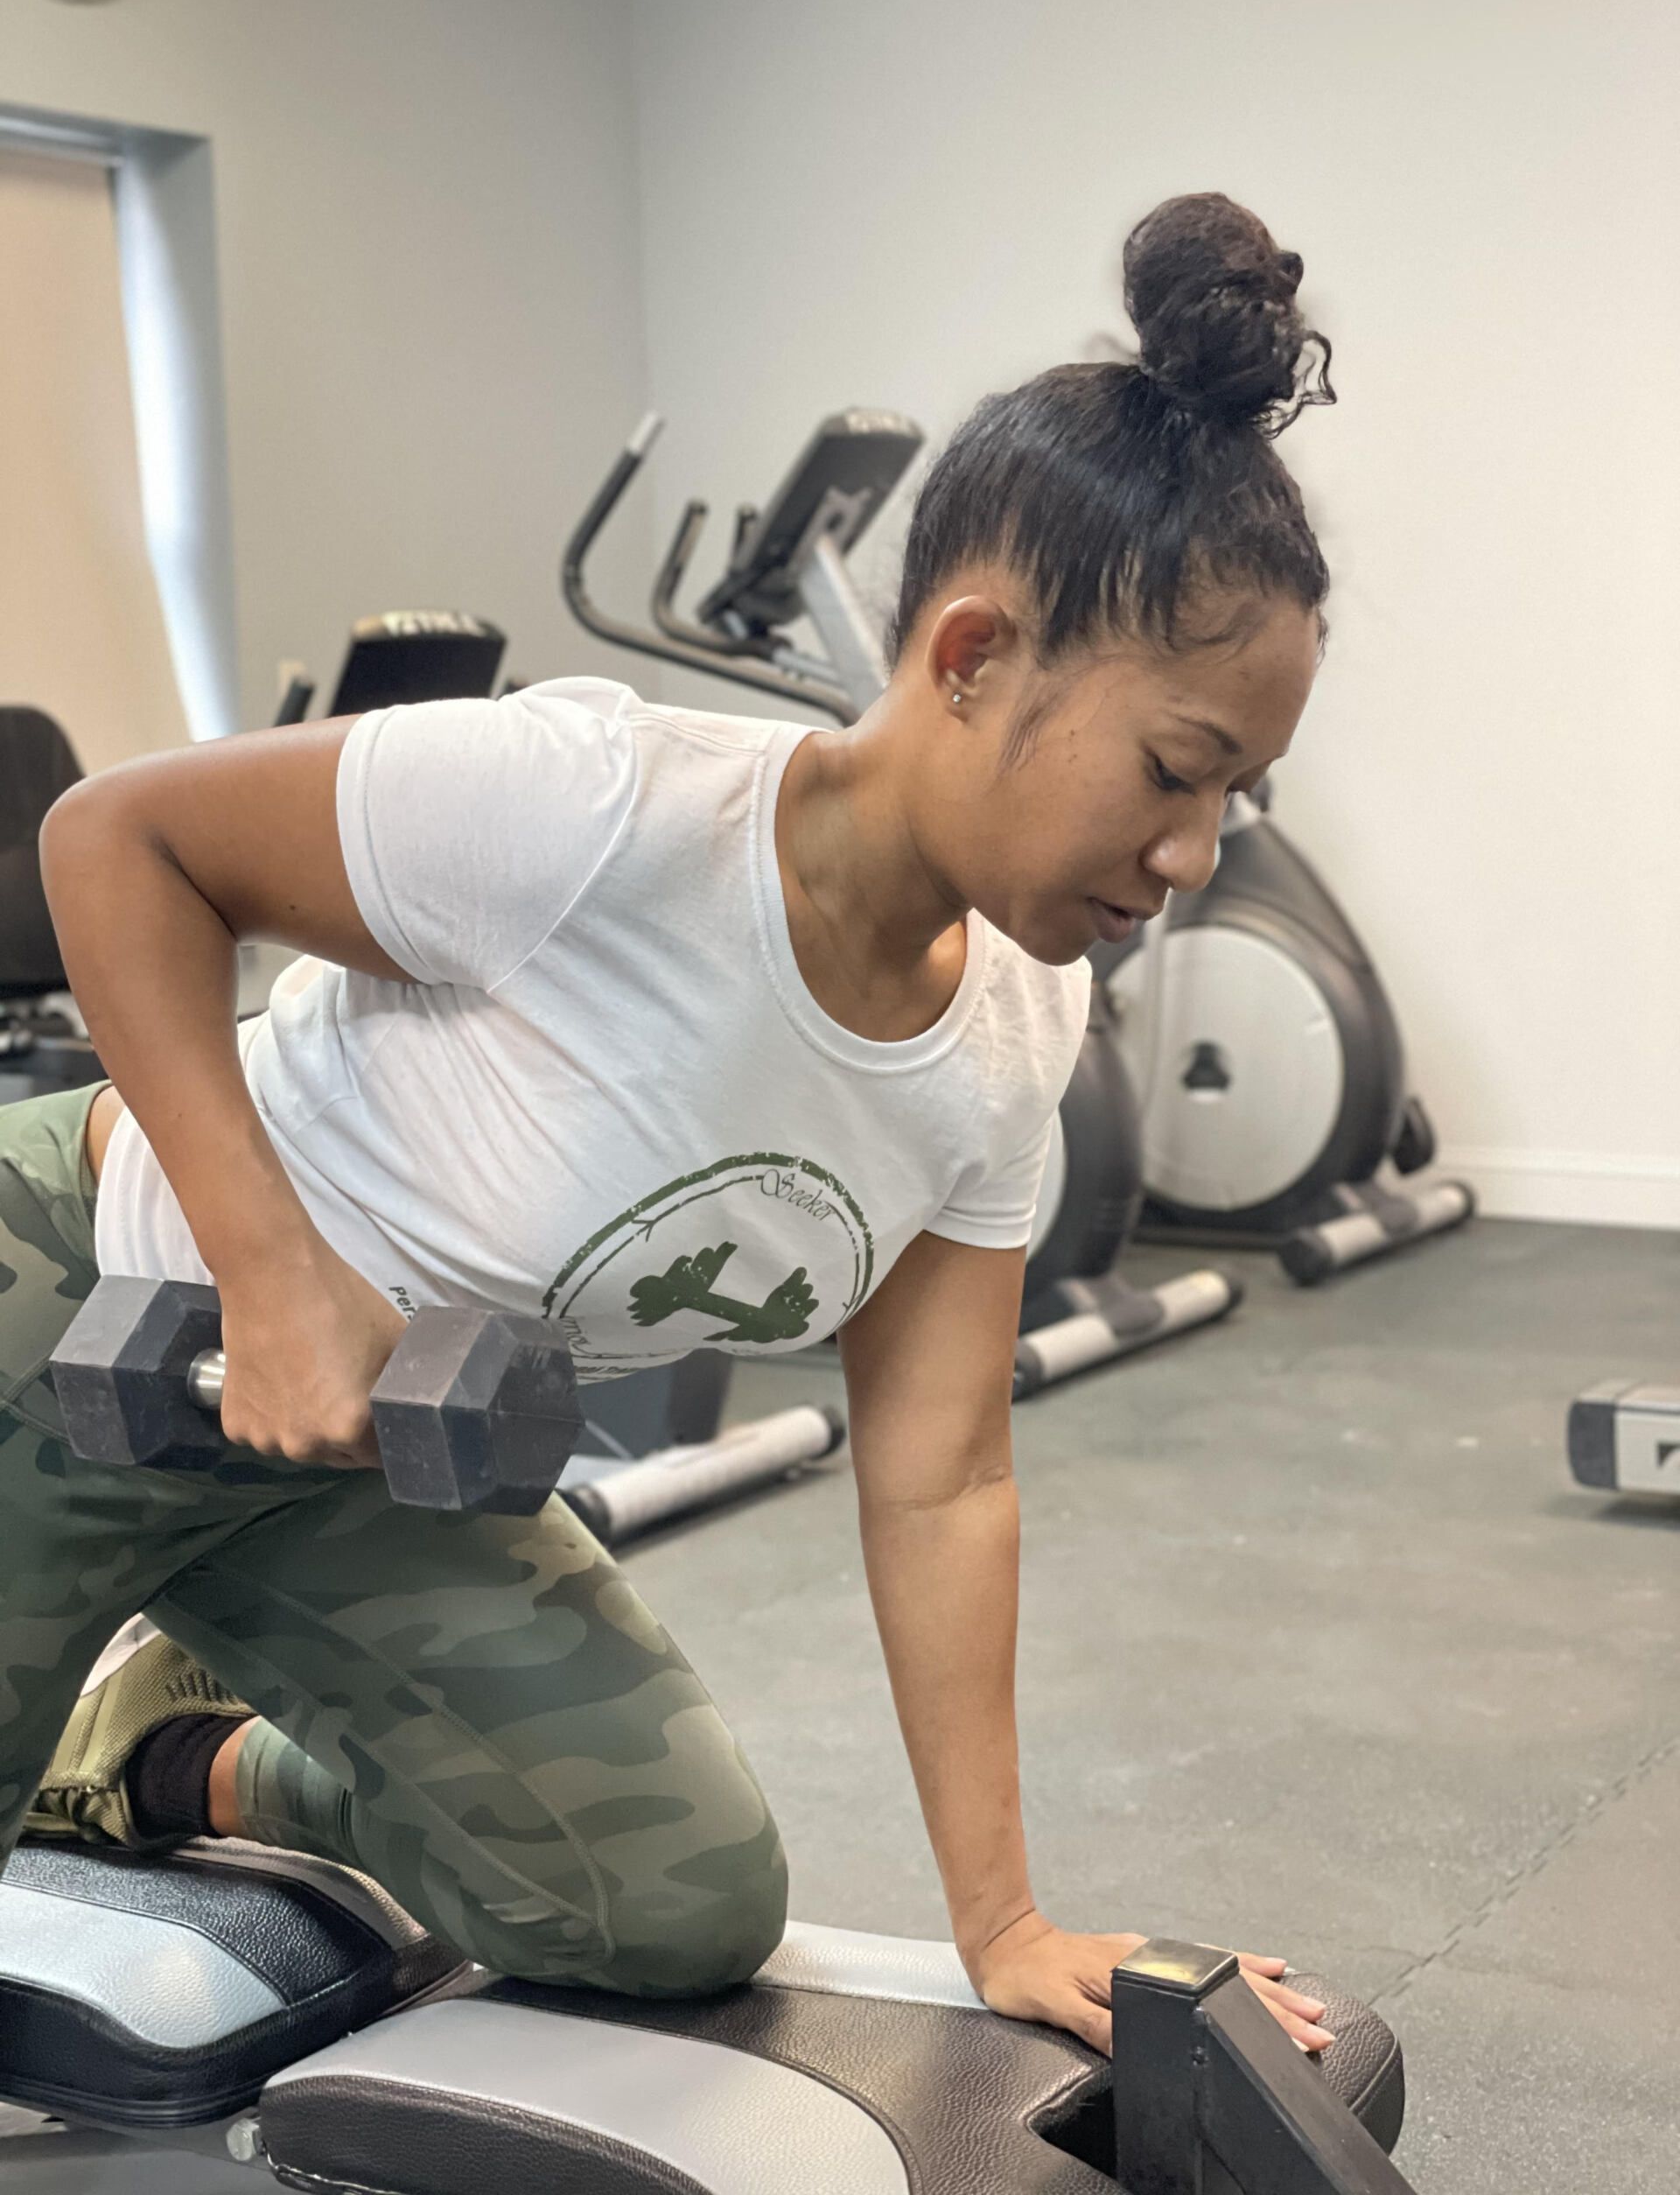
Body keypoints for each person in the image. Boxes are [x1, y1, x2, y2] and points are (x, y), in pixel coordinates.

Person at [0, 193, 1337, 2056]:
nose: (1191, 855)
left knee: (666, 1902)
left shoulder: (1018, 1022)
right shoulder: (598, 807)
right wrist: (274, 1269)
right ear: (969, 656)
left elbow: (943, 1475)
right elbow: (112, 839)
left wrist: (1006, 1922)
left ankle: (164, 1756)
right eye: (1175, 772)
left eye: (1233, 796)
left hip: (373, 1454)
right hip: (76, 1313)